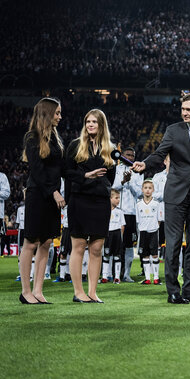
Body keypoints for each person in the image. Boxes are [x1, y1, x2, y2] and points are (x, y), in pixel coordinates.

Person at [133, 92, 190, 304]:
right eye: (183, 109)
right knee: (172, 245)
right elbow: (159, 155)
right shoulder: (173, 130)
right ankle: (173, 292)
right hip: (175, 195)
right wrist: (145, 164)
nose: (184, 113)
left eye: (189, 109)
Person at [66, 108, 116, 303]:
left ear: (101, 125)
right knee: (78, 246)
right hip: (79, 200)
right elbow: (66, 172)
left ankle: (93, 292)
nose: (90, 125)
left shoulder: (110, 149)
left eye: (94, 122)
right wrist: (85, 176)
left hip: (100, 202)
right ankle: (78, 292)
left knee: (96, 248)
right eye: (88, 121)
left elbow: (110, 178)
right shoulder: (75, 145)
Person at [19, 98, 65, 304]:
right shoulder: (32, 137)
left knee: (46, 242)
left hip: (52, 197)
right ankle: (26, 291)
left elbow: (61, 168)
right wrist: (54, 192)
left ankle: (38, 291)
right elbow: (37, 171)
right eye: (57, 113)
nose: (60, 117)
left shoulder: (55, 137)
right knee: (31, 242)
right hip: (39, 195)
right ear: (47, 114)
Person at [112, 146, 143, 283]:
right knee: (114, 243)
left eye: (132, 155)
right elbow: (112, 187)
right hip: (116, 211)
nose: (130, 157)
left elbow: (140, 193)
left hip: (131, 212)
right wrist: (123, 181)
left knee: (129, 244)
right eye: (127, 154)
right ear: (121, 155)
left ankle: (127, 274)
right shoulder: (115, 170)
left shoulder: (138, 172)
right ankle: (113, 273)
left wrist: (129, 182)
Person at [136, 179, 162, 285]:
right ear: (142, 190)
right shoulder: (138, 204)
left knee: (155, 255)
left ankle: (156, 278)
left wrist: (155, 227)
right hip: (143, 232)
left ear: (153, 190)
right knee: (145, 255)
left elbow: (159, 219)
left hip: (153, 231)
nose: (147, 190)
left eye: (150, 188)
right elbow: (138, 220)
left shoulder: (156, 204)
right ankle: (147, 278)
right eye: (145, 188)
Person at [102, 189, 125, 284]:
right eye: (116, 198)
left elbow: (122, 225)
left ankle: (117, 277)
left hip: (116, 235)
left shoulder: (120, 212)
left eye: (119, 198)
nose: (118, 200)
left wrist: (121, 237)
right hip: (107, 235)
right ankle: (104, 276)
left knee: (117, 256)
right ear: (110, 198)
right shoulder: (104, 211)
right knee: (106, 256)